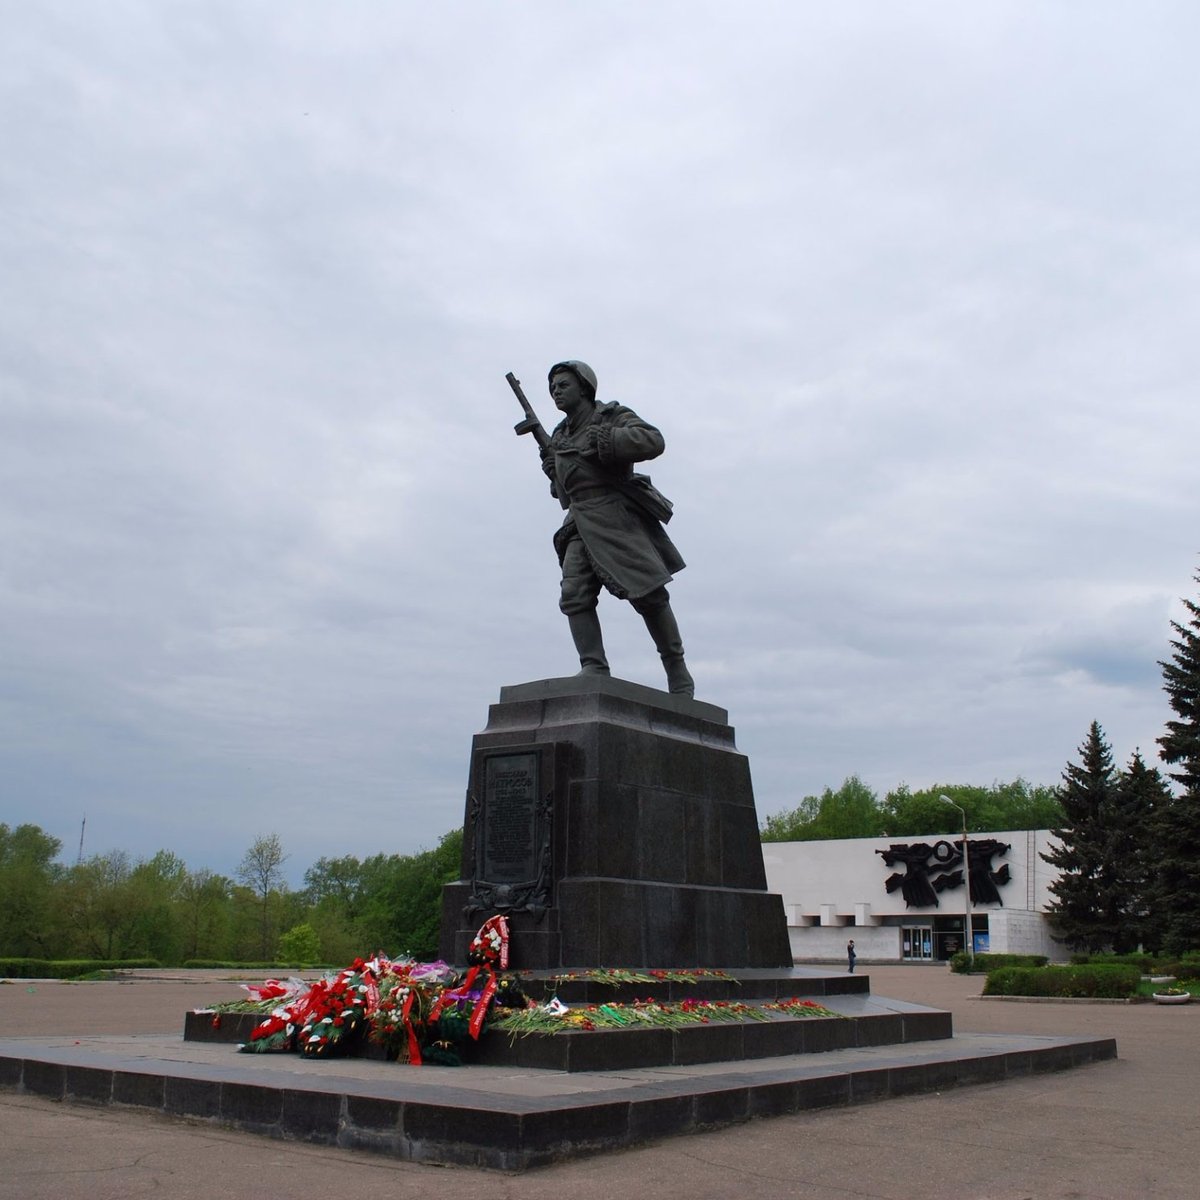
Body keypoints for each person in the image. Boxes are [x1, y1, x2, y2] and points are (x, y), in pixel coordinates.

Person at [537, 360, 694, 697]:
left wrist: (609, 439)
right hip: (579, 519)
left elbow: (653, 440)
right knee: (574, 593)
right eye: (552, 388)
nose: (556, 392)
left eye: (563, 385)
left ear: (584, 387)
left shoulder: (609, 416)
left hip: (614, 515)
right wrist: (553, 470)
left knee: (650, 596)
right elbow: (564, 493)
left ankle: (676, 668)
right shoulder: (560, 435)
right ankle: (593, 665)